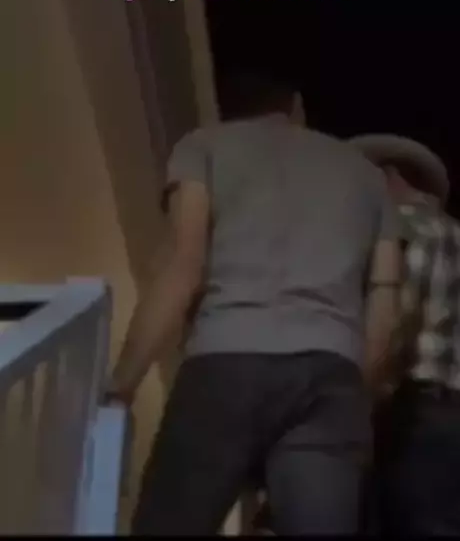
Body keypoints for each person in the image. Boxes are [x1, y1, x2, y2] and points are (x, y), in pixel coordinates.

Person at [106, 71, 401, 536]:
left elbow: (184, 265)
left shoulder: (203, 145)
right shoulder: (367, 176)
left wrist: (122, 383)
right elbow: (384, 305)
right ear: (295, 106)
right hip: (331, 370)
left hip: (225, 361)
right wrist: (351, 392)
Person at [349, 133, 460, 535]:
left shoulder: (407, 227)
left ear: (387, 176)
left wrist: (365, 395)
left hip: (416, 410)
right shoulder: (452, 231)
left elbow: (399, 319)